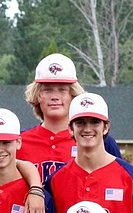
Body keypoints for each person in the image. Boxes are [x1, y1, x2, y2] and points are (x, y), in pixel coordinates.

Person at [18, 53, 122, 182]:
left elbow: (120, 181)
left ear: (73, 95)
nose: (55, 96)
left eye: (62, 90)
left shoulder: (99, 139)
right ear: (37, 95)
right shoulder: (18, 142)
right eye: (47, 90)